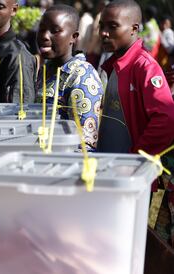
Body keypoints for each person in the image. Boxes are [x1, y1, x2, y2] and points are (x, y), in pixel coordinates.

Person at [97, 0, 174, 247]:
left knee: (136, 244)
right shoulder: (111, 65)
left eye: (112, 26)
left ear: (134, 28)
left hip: (135, 181)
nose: (104, 33)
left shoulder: (144, 66)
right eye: (102, 26)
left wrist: (136, 159)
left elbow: (166, 118)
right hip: (110, 175)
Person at [36, 4, 104, 151]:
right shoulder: (46, 69)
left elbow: (85, 146)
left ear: (73, 37)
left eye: (55, 31)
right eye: (41, 29)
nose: (44, 36)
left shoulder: (82, 76)